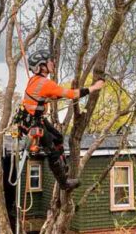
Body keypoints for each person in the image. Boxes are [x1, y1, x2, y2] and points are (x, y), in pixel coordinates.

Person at [19, 49, 104, 190]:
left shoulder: (34, 80)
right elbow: (72, 94)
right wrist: (94, 87)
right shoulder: (46, 83)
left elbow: (46, 95)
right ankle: (64, 183)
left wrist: (57, 95)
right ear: (41, 66)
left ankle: (63, 164)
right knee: (51, 152)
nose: (53, 63)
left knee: (58, 137)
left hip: (32, 118)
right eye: (49, 61)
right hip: (34, 122)